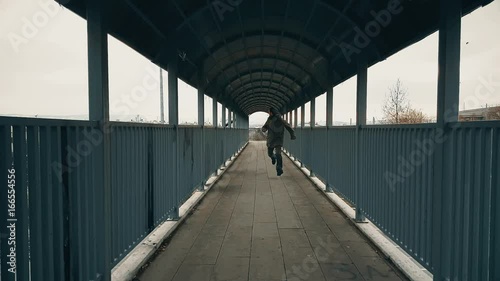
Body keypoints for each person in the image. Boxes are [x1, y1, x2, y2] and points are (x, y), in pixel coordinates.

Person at [261, 107, 296, 176]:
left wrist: (292, 134)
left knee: (278, 154)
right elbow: (265, 126)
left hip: (278, 139)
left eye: (269, 112)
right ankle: (273, 157)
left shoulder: (280, 119)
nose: (269, 113)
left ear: (272, 112)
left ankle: (279, 168)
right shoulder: (269, 119)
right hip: (271, 140)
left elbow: (287, 125)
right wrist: (264, 128)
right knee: (270, 153)